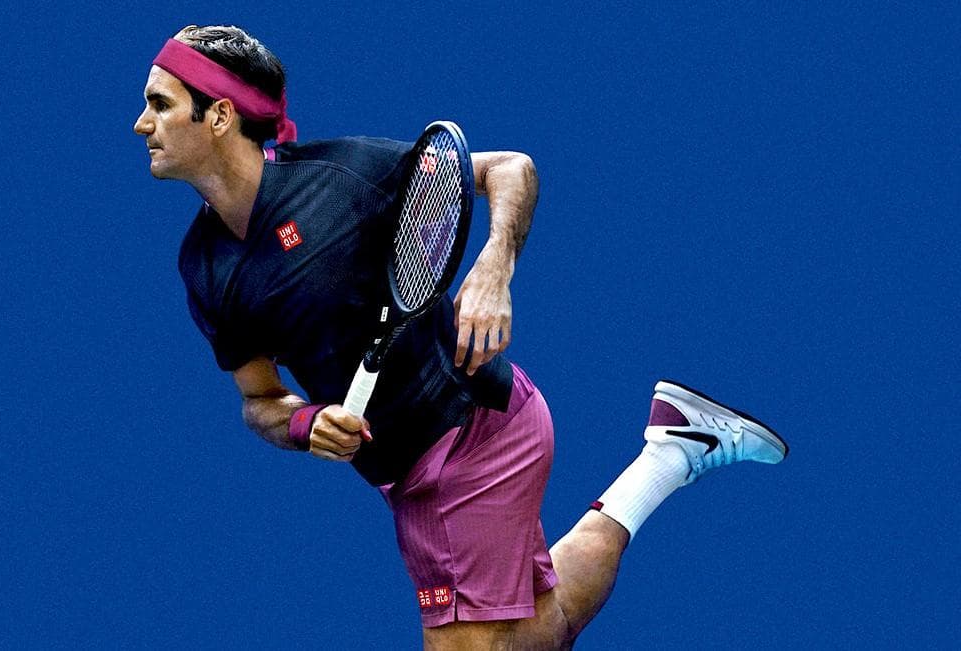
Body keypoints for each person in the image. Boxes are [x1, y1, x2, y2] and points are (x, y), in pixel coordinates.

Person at [134, 24, 789, 650]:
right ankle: (670, 453)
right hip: (405, 473)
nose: (142, 123)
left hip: (471, 433)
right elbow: (259, 399)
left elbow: (510, 169)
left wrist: (494, 269)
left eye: (160, 104)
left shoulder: (341, 177)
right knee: (540, 634)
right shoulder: (204, 267)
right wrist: (304, 423)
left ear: (219, 116)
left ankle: (673, 452)